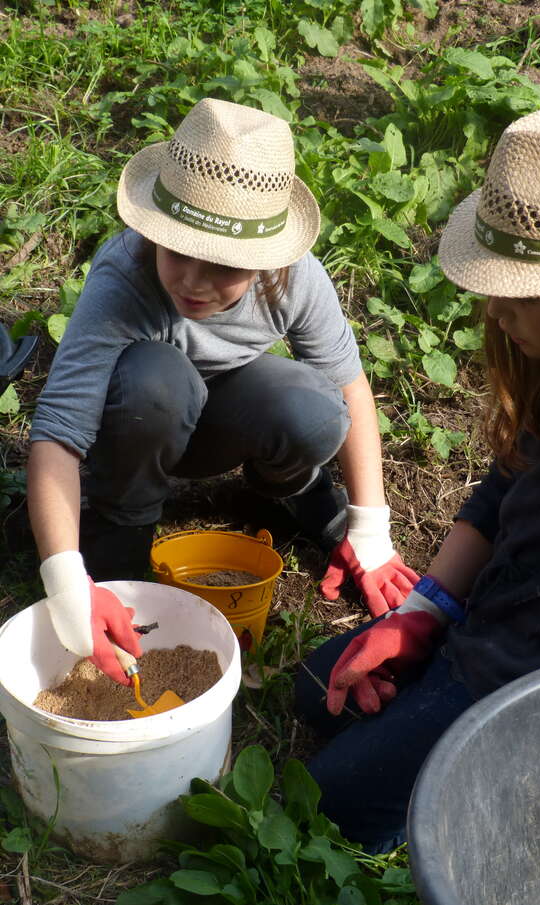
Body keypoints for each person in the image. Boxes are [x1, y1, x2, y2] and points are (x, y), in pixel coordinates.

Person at [295, 100, 540, 854]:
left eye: (515, 291)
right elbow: (502, 484)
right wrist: (424, 611)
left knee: (333, 803)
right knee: (314, 688)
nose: (494, 307)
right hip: (496, 611)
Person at [27, 98, 419, 686]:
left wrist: (369, 531)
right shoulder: (125, 275)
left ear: (266, 263)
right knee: (157, 379)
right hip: (135, 422)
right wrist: (66, 578)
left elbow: (349, 386)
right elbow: (58, 433)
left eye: (223, 266)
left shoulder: (295, 280)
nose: (193, 281)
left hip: (219, 418)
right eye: (178, 251)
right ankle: (123, 522)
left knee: (314, 407)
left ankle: (282, 492)